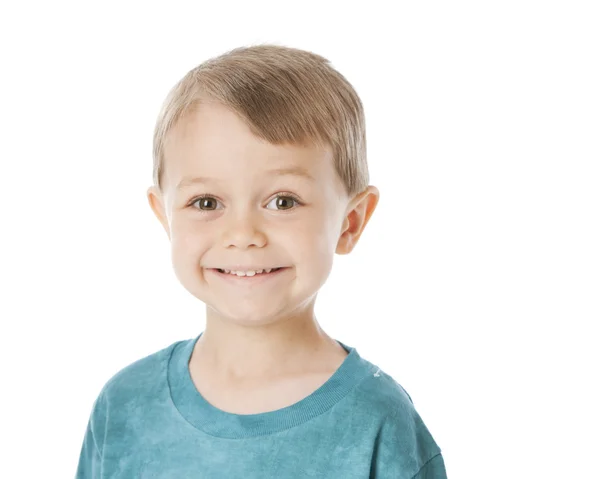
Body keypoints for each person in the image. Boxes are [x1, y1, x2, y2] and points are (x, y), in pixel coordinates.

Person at [76, 44, 447, 478]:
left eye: (283, 201)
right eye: (206, 201)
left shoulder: (379, 423)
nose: (243, 235)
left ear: (350, 222)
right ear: (165, 217)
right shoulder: (123, 406)